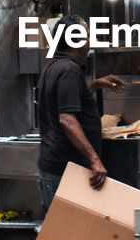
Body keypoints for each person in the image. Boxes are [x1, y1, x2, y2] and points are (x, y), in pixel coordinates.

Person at [35, 15, 125, 210]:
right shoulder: (69, 70)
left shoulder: (54, 66)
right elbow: (67, 119)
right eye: (86, 36)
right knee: (67, 235)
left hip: (58, 166)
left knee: (66, 233)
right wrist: (95, 160)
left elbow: (63, 101)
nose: (89, 41)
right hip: (65, 169)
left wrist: (93, 86)